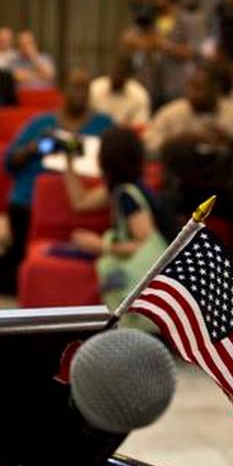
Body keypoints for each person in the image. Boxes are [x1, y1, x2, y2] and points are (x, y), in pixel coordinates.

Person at [0, 69, 113, 294]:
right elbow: (9, 163)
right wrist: (36, 147)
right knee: (14, 267)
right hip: (30, 201)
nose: (80, 93)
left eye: (85, 88)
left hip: (85, 202)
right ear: (62, 91)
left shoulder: (104, 125)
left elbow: (117, 163)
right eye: (75, 87)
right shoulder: (42, 124)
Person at [145, 63, 233, 272]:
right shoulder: (172, 114)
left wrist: (232, 141)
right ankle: (170, 269)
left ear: (216, 89)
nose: (193, 94)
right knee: (159, 204)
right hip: (182, 187)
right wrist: (179, 140)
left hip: (222, 189)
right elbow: (149, 146)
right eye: (190, 87)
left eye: (200, 88)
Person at [63, 127, 171, 330]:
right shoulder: (123, 187)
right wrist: (69, 161)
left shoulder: (128, 195)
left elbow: (143, 244)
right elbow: (81, 201)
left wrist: (100, 245)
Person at [123, 0, 199, 110]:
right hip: (149, 83)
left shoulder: (186, 20)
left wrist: (163, 45)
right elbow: (127, 39)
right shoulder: (150, 18)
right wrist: (144, 43)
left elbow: (193, 52)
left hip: (175, 85)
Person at [88, 54, 151, 126]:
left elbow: (140, 125)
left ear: (128, 76)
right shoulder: (95, 87)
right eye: (114, 72)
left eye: (121, 73)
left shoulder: (139, 95)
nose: (116, 76)